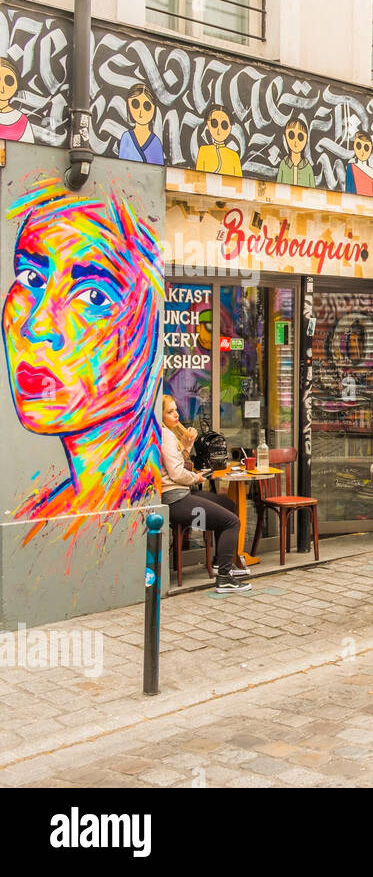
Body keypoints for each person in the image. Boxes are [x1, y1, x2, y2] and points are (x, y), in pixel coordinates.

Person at [4, 177, 162, 543]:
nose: (36, 325)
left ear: (152, 328)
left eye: (93, 296)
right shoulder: (41, 516)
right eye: (31, 277)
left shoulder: (133, 510)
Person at [160, 394, 250, 592]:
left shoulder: (169, 433)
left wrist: (188, 445)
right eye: (170, 411)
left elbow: (177, 464)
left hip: (180, 493)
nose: (176, 415)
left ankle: (220, 562)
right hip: (175, 499)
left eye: (176, 410)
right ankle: (224, 578)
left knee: (228, 505)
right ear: (160, 415)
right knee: (232, 521)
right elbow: (176, 473)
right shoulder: (165, 434)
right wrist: (197, 478)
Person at [116, 83, 164, 165]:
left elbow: (158, 171)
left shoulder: (156, 143)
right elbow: (121, 167)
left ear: (154, 109)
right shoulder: (126, 138)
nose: (141, 112)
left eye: (147, 106)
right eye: (135, 104)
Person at [194, 105, 242, 177]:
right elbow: (199, 178)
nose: (219, 130)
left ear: (230, 128)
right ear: (208, 124)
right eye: (214, 123)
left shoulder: (234, 156)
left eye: (224, 125)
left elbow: (238, 182)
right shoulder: (203, 151)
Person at [276, 117, 316, 187]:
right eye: (291, 135)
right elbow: (278, 187)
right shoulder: (283, 164)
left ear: (306, 139)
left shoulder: (308, 168)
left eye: (300, 137)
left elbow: (312, 190)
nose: (295, 141)